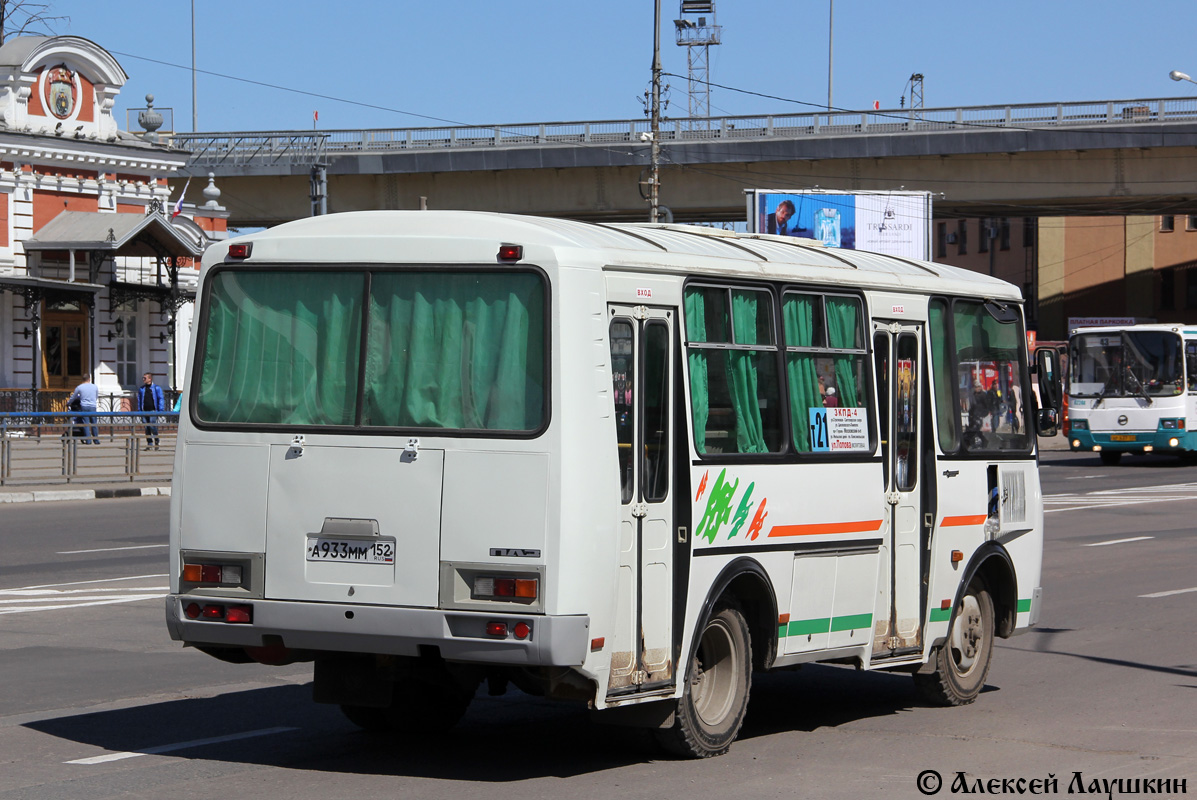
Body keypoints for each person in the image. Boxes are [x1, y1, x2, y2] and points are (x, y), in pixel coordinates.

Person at [137, 371, 166, 450]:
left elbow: (160, 398)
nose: (143, 379)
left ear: (150, 379)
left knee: (152, 426)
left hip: (153, 410)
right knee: (147, 428)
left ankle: (156, 440)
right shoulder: (142, 389)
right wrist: (139, 410)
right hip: (144, 411)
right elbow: (139, 400)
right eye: (143, 378)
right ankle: (149, 443)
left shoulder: (156, 388)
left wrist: (160, 410)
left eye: (145, 378)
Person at [68, 374, 100, 445]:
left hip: (84, 406)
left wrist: (69, 402)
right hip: (93, 406)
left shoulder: (79, 387)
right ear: (89, 379)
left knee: (86, 423)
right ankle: (96, 440)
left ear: (82, 379)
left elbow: (73, 397)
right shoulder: (95, 387)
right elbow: (96, 396)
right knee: (94, 423)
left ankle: (88, 441)